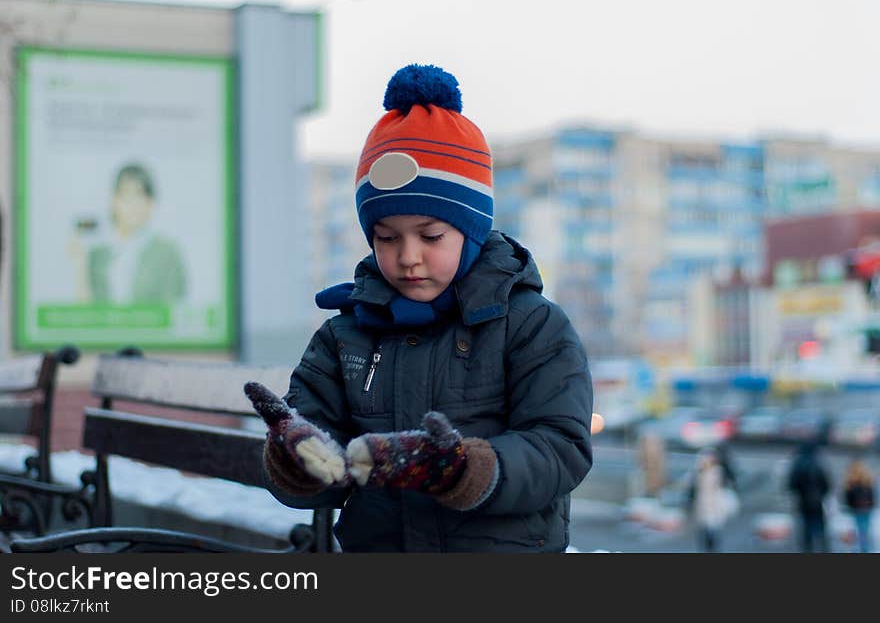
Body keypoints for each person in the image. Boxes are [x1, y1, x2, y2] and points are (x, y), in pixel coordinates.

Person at [245, 63, 596, 552]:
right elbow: (321, 447)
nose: (408, 257)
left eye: (431, 236)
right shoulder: (344, 337)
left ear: (471, 231)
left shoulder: (532, 326)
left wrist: (465, 470)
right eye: (386, 238)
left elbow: (559, 447)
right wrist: (298, 458)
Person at [69, 162, 187, 304]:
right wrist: (80, 265)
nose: (133, 204)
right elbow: (86, 313)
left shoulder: (167, 253)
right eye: (126, 195)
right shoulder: (98, 254)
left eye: (140, 196)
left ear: (150, 203)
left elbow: (174, 309)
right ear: (114, 201)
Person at [686, 447, 737, 552]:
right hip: (702, 506)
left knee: (713, 531)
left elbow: (731, 481)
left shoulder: (719, 471)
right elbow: (692, 491)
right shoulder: (698, 473)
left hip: (715, 506)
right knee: (703, 532)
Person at [787, 440, 831, 553]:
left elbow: (791, 484)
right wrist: (821, 494)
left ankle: (808, 549)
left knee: (805, 528)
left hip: (803, 501)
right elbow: (826, 484)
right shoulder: (818, 463)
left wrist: (799, 492)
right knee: (820, 526)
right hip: (817, 500)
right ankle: (823, 548)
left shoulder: (798, 464)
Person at [841, 458, 875, 553]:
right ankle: (864, 549)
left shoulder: (851, 481)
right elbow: (871, 495)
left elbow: (848, 497)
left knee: (857, 530)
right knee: (864, 530)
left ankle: (858, 549)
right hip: (867, 508)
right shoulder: (867, 480)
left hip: (856, 509)